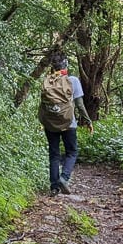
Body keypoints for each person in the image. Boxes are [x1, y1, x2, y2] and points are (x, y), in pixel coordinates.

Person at [42, 52, 93, 195]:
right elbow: (80, 105)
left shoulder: (48, 81)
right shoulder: (73, 80)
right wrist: (88, 121)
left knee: (54, 154)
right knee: (72, 152)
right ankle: (64, 178)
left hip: (50, 123)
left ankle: (54, 187)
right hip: (69, 123)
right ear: (66, 65)